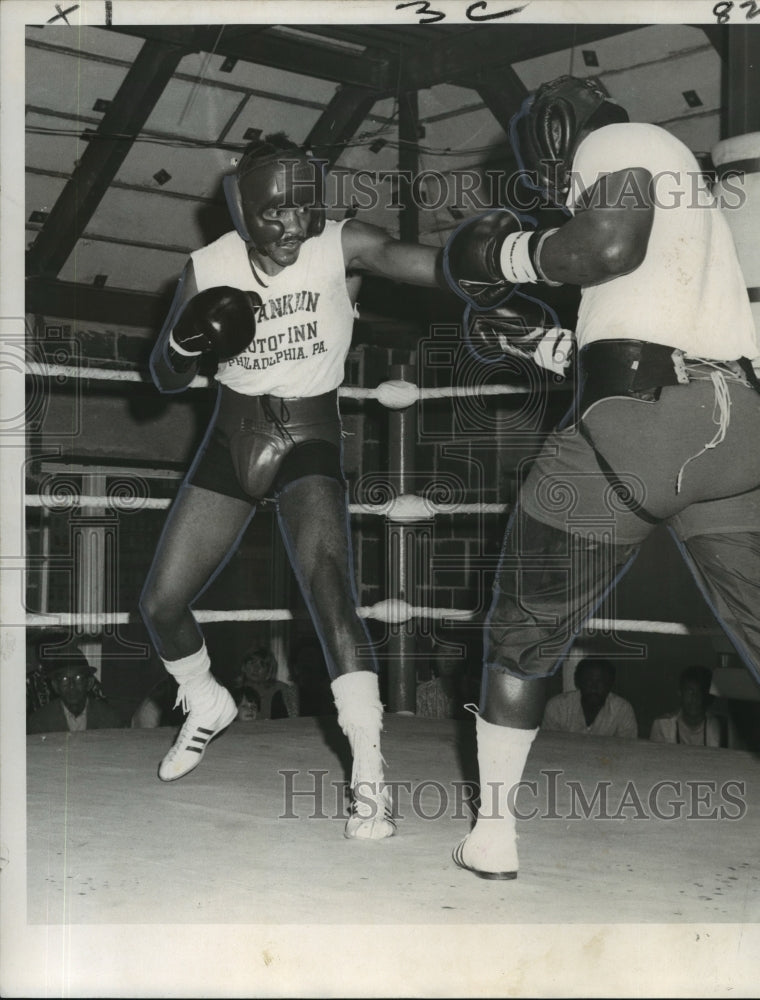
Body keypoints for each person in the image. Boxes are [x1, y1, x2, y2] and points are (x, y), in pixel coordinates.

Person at [443, 76, 760, 878]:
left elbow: (605, 249)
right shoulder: (682, 185)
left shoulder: (617, 144)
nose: (555, 189)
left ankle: (492, 834)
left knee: (522, 629)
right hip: (742, 429)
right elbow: (646, 313)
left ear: (558, 135)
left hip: (643, 430)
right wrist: (541, 346)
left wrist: (501, 253)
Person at [140, 132, 440, 840]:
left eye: (304, 211)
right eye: (275, 214)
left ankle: (369, 771)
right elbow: (160, 377)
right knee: (160, 604)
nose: (292, 229)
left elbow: (424, 264)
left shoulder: (341, 245)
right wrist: (187, 340)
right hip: (232, 438)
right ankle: (204, 702)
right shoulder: (207, 265)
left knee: (329, 581)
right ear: (244, 209)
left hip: (309, 435)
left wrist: (511, 257)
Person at [27, 645, 124, 734]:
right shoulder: (39, 723)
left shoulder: (110, 719)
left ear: (89, 683)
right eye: (64, 679)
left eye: (78, 678)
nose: (71, 685)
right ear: (55, 686)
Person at [541, 658, 637, 738]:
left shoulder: (622, 710)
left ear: (610, 684)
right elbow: (550, 747)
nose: (594, 687)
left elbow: (627, 750)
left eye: (601, 681)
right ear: (577, 682)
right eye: (588, 680)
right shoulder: (557, 706)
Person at [650, 665, 724, 747]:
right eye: (690, 691)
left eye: (700, 692)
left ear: (707, 696)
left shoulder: (719, 727)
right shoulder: (662, 725)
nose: (694, 698)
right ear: (680, 692)